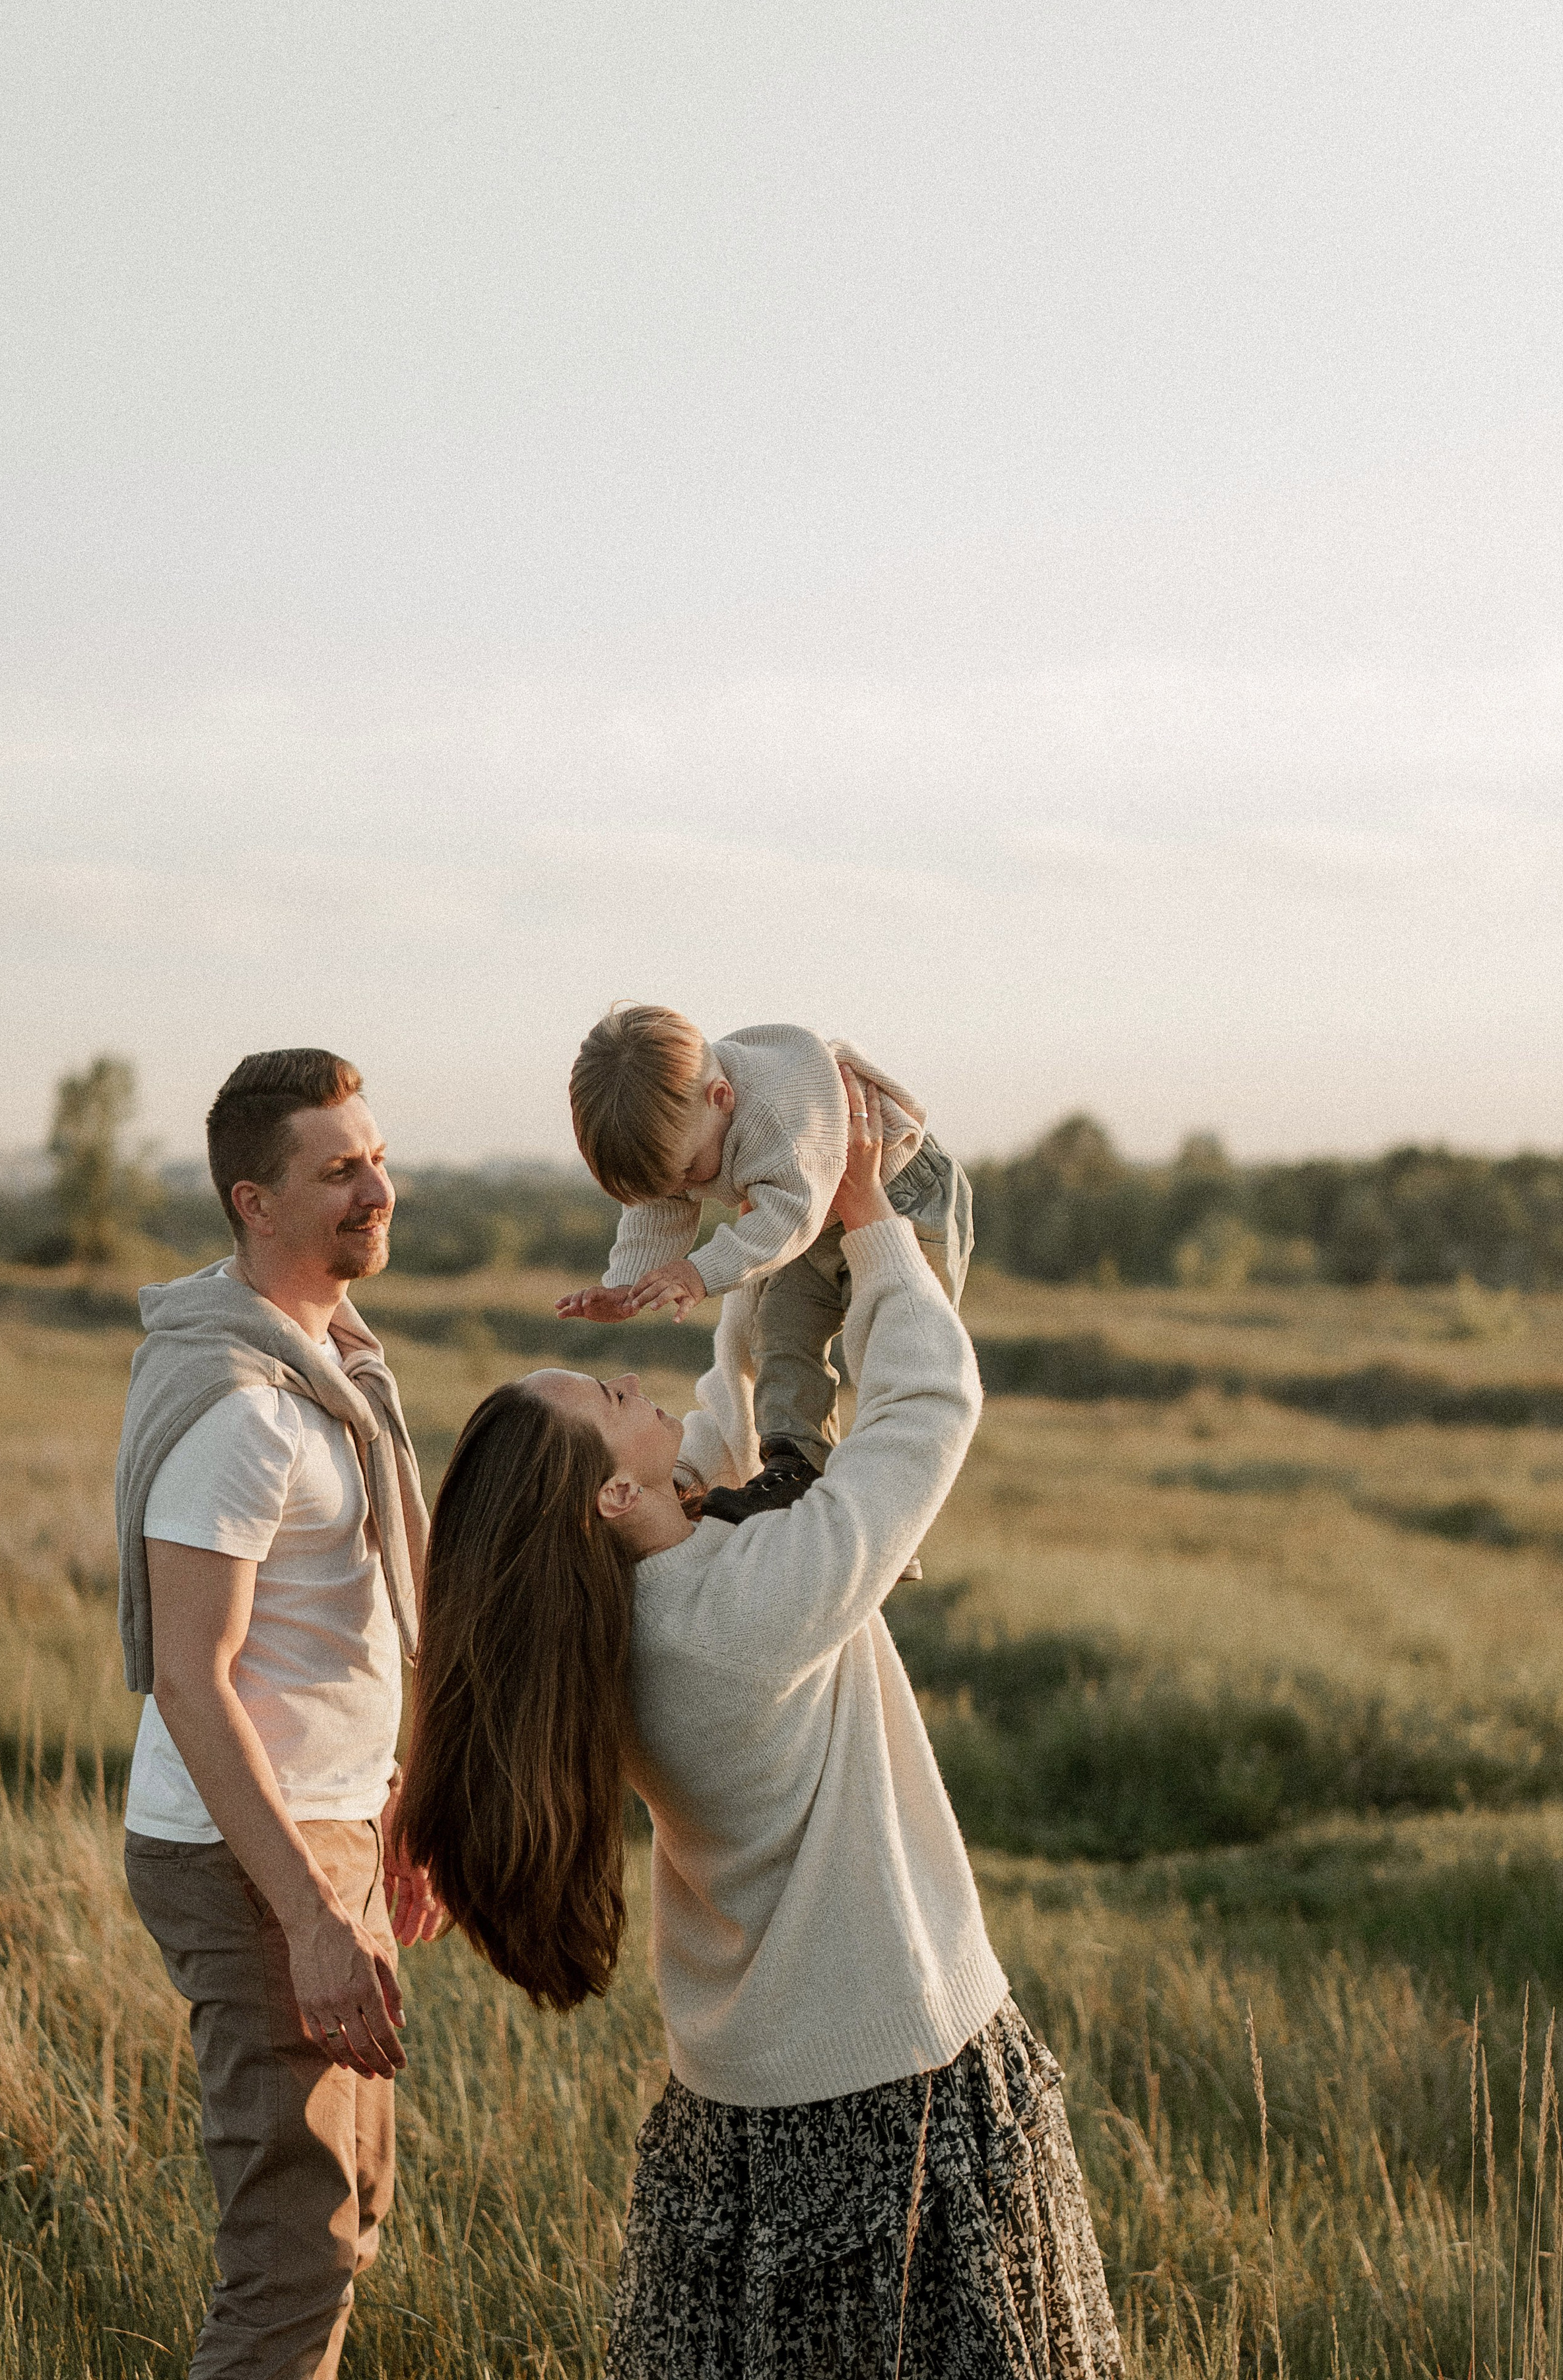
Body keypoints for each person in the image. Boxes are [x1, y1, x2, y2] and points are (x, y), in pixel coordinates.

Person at [397, 1071, 1123, 2378]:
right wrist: (865, 1219)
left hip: (741, 2106)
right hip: (889, 2094)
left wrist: (745, 1248)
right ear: (619, 1498)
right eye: (612, 1400)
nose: (635, 1387)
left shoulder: (630, 1624)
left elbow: (727, 1446)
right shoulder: (736, 1612)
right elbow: (926, 1416)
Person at [115, 1049, 446, 2380]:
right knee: (294, 2254)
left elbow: (342, 1634)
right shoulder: (240, 1410)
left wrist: (388, 1815)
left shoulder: (331, 1365)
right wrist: (312, 1913)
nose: (378, 1187)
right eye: (340, 1170)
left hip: (329, 1828)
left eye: (375, 1156)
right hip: (247, 1854)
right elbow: (193, 1680)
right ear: (256, 1203)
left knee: (347, 2221)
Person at [560, 1008, 974, 1546]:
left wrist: (699, 1272)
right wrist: (627, 1284)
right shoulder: (691, 1121)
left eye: (688, 1170)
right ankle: (795, 1466)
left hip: (901, 1195)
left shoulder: (777, 1119)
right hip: (811, 1217)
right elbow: (662, 1204)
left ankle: (895, 1507)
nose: (686, 1186)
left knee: (895, 1349)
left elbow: (789, 1217)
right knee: (780, 1332)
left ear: (722, 1097)